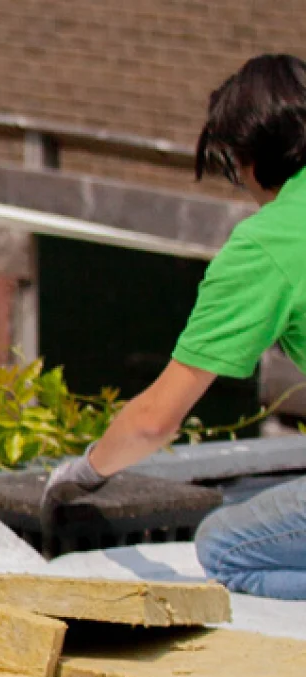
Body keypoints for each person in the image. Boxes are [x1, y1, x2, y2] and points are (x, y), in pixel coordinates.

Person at [44, 55, 306, 600]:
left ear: (249, 156)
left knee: (224, 547)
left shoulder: (267, 244)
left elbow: (155, 421)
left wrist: (85, 472)